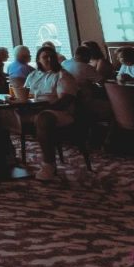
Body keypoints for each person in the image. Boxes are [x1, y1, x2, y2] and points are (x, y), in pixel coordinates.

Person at [23, 46, 79, 181]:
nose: (49, 59)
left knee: (44, 118)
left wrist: (41, 109)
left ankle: (49, 165)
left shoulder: (63, 75)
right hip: (34, 109)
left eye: (51, 56)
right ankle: (6, 155)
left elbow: (66, 101)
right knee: (1, 115)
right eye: (45, 57)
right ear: (38, 60)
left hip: (59, 113)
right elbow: (24, 94)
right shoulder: (33, 75)